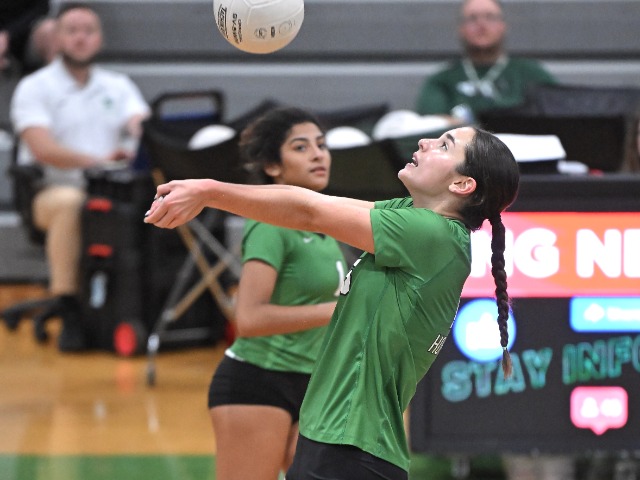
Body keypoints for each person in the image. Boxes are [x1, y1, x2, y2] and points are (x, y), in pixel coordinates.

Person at [144, 125, 520, 479]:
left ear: (461, 184)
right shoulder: (411, 216)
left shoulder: (434, 234)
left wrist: (209, 192)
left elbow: (310, 213)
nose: (425, 142)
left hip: (350, 450)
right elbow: (314, 202)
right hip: (335, 441)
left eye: (444, 145)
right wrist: (209, 190)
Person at [207, 107, 348, 480]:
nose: (317, 155)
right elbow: (249, 319)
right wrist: (338, 311)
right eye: (301, 148)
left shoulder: (326, 225)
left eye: (321, 145)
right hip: (259, 381)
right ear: (273, 167)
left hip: (314, 383)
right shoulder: (270, 224)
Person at [10, 2, 150, 351]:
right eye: (72, 30)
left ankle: (146, 303)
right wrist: (99, 161)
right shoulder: (35, 87)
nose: (81, 38)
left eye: (88, 31)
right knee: (72, 204)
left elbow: (142, 126)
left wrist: (143, 133)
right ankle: (69, 303)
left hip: (112, 192)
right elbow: (42, 148)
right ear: (56, 38)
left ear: (99, 38)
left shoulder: (118, 85)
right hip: (51, 191)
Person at [415, 0, 557, 122]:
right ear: (461, 29)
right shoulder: (441, 80)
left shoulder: (532, 74)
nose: (481, 25)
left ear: (503, 26)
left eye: (490, 17)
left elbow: (557, 119)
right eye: (472, 18)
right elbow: (429, 126)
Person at [1, 0, 58, 75]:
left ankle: (58, 78)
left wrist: (8, 34)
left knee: (50, 29)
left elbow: (42, 8)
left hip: (26, 34)